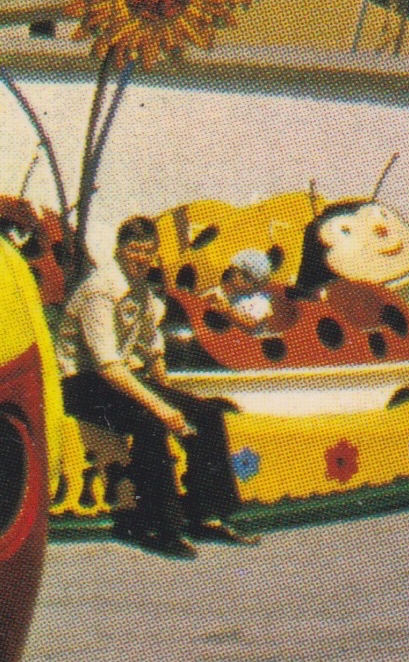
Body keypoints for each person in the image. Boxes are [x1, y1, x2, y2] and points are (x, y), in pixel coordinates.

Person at [57, 216, 259, 558]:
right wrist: (162, 407)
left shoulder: (142, 289)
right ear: (119, 250)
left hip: (121, 376)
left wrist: (171, 397)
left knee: (205, 414)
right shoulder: (100, 290)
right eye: (134, 250)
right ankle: (159, 526)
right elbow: (107, 365)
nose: (141, 257)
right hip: (83, 382)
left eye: (148, 251)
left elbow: (152, 349)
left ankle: (206, 514)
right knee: (149, 420)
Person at [206, 249, 274, 336]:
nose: (245, 282)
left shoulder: (260, 300)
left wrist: (227, 311)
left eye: (250, 280)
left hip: (243, 341)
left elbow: (252, 323)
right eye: (243, 275)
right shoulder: (225, 290)